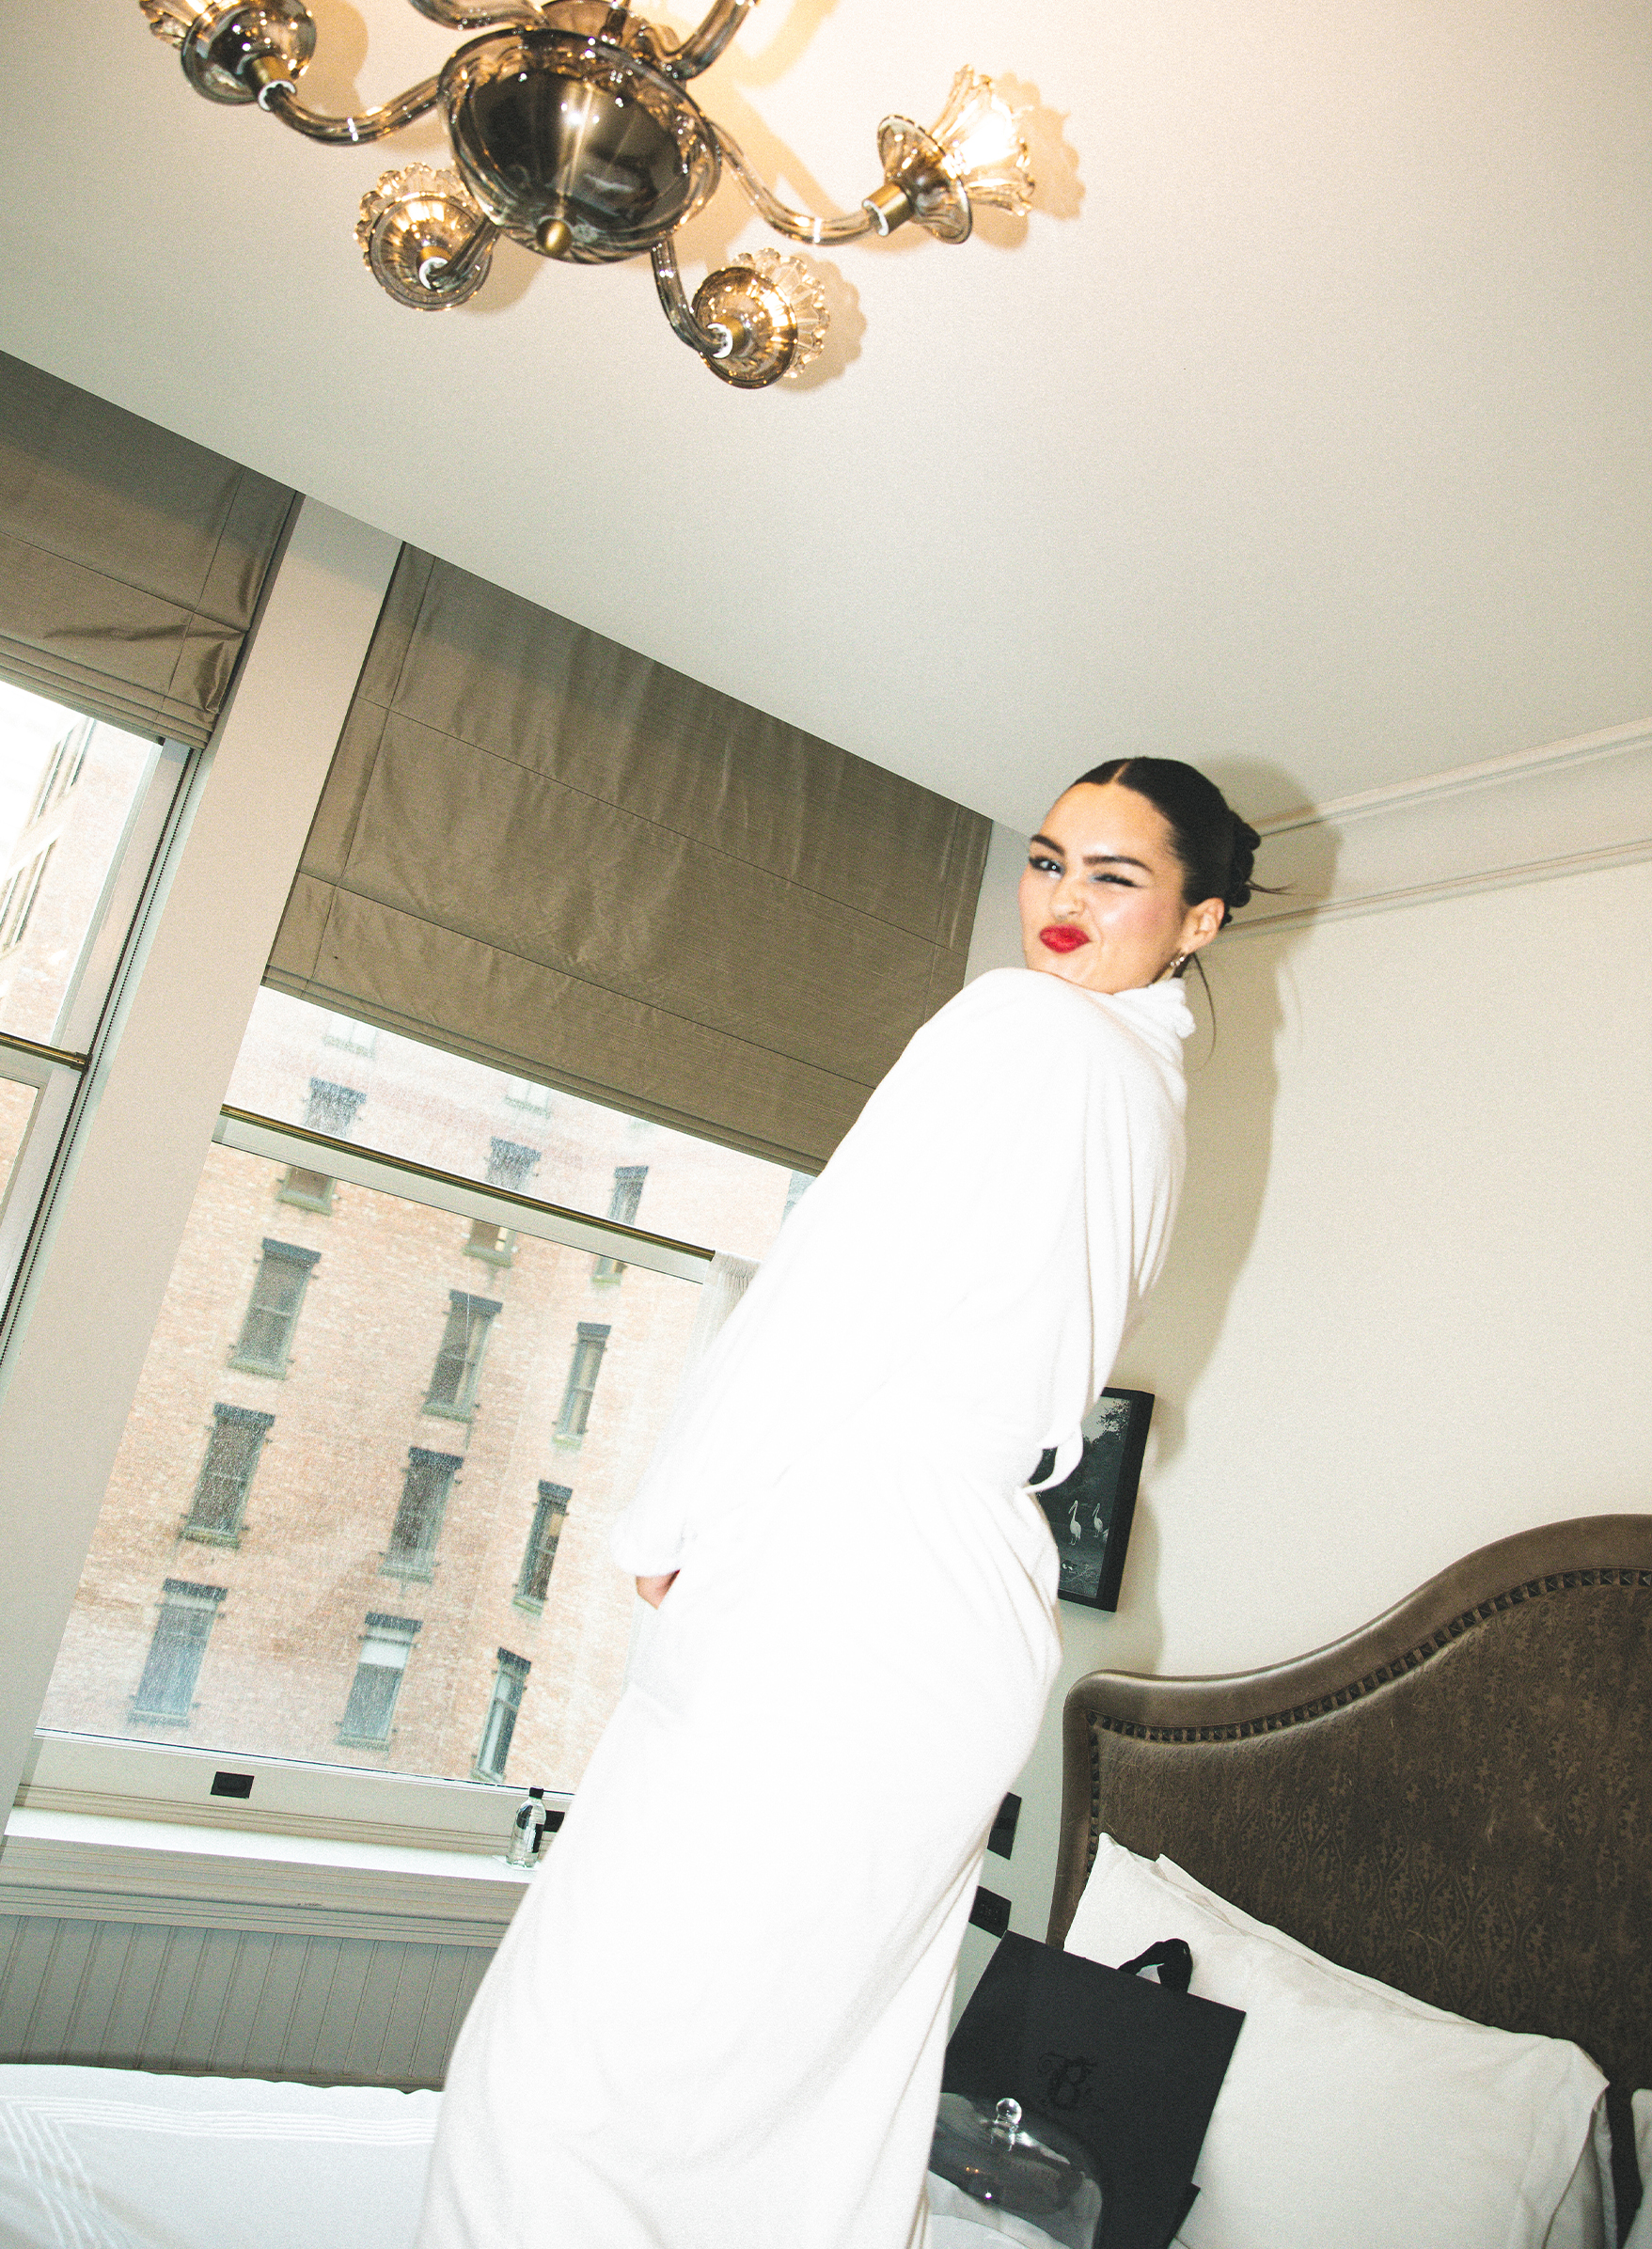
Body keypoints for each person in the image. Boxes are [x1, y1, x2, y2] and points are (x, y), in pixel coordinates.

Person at [415, 758, 1262, 2249]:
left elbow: (834, 1289)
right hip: (968, 1597)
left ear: (1199, 918)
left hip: (857, 1565)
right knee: (810, 2077)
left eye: (1114, 879)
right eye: (1050, 862)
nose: (1062, 904)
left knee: (572, 2069)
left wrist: (669, 1521)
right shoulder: (1149, 1097)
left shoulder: (1024, 1029)